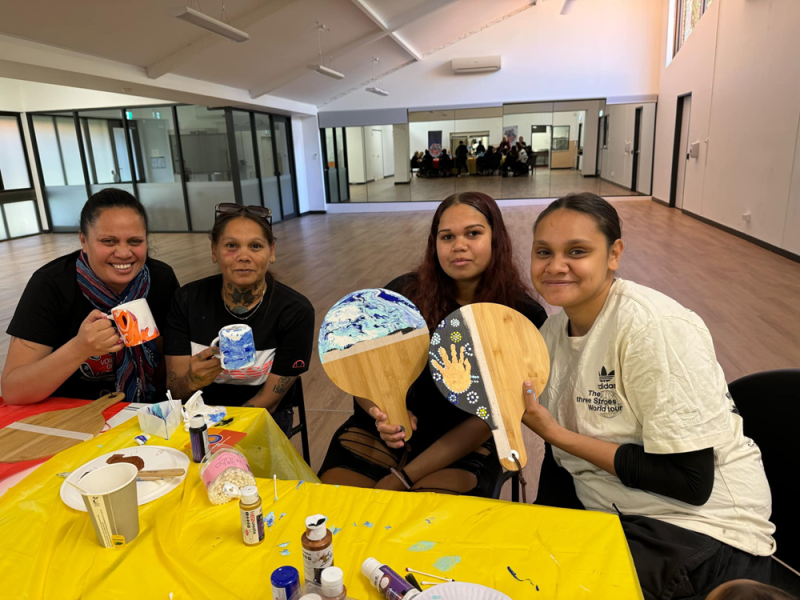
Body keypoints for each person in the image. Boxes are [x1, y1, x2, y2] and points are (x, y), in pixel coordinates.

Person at [522, 193, 776, 599]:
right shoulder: (550, 337)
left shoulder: (651, 328)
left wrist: (557, 434)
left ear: (614, 254)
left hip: (703, 531)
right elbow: (565, 465)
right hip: (617, 517)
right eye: (543, 252)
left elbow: (691, 483)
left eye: (577, 251)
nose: (555, 266)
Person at [319, 192, 547, 496]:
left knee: (429, 529)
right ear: (434, 244)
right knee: (341, 510)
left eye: (473, 233)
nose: (459, 245)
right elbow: (360, 366)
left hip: (461, 442)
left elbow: (492, 416)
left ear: (497, 239)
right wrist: (380, 412)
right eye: (447, 236)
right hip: (382, 433)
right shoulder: (402, 294)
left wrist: (404, 477)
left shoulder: (522, 314)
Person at [3, 188, 179, 404]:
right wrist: (80, 348)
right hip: (74, 416)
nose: (124, 252)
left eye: (135, 241)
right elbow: (13, 390)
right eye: (109, 241)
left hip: (149, 414)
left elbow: (170, 364)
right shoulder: (51, 285)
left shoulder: (160, 279)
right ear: (83, 241)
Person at [164, 204, 314, 435]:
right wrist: (191, 382)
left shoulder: (295, 311)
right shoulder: (187, 300)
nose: (244, 257)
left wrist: (225, 432)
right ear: (214, 251)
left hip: (261, 413)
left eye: (255, 246)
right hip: (197, 414)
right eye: (231, 246)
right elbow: (175, 390)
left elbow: (269, 399)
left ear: (271, 251)